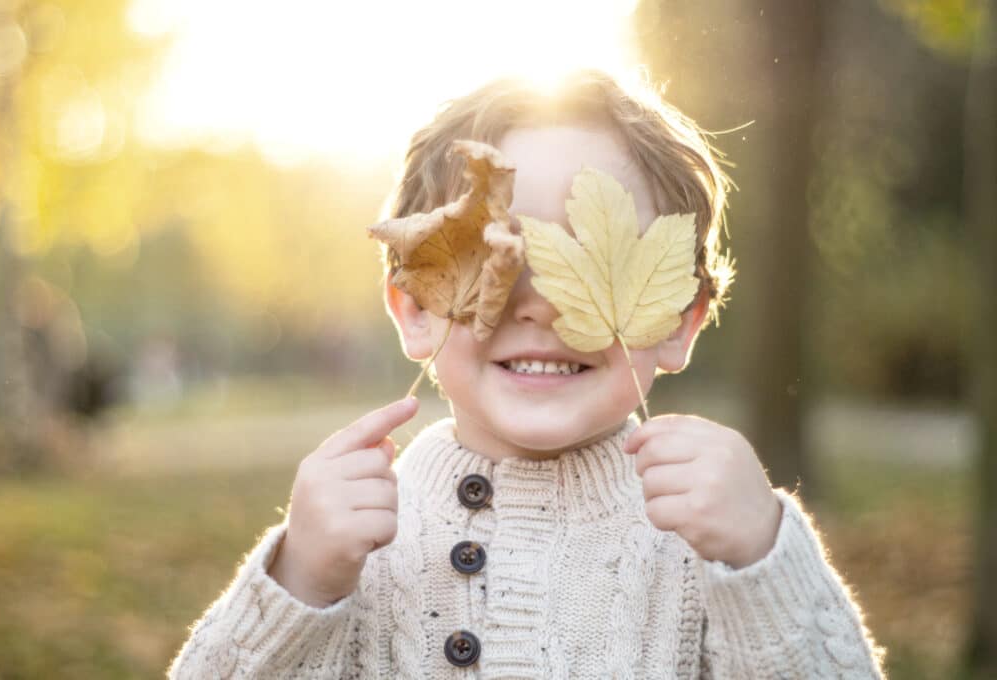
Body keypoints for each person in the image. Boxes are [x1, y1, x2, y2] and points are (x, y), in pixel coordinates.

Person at [168, 70, 886, 678]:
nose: (541, 305)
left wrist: (763, 562)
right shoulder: (352, 538)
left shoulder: (712, 540)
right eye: (494, 259)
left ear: (678, 319)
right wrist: (300, 583)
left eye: (593, 264)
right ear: (415, 307)